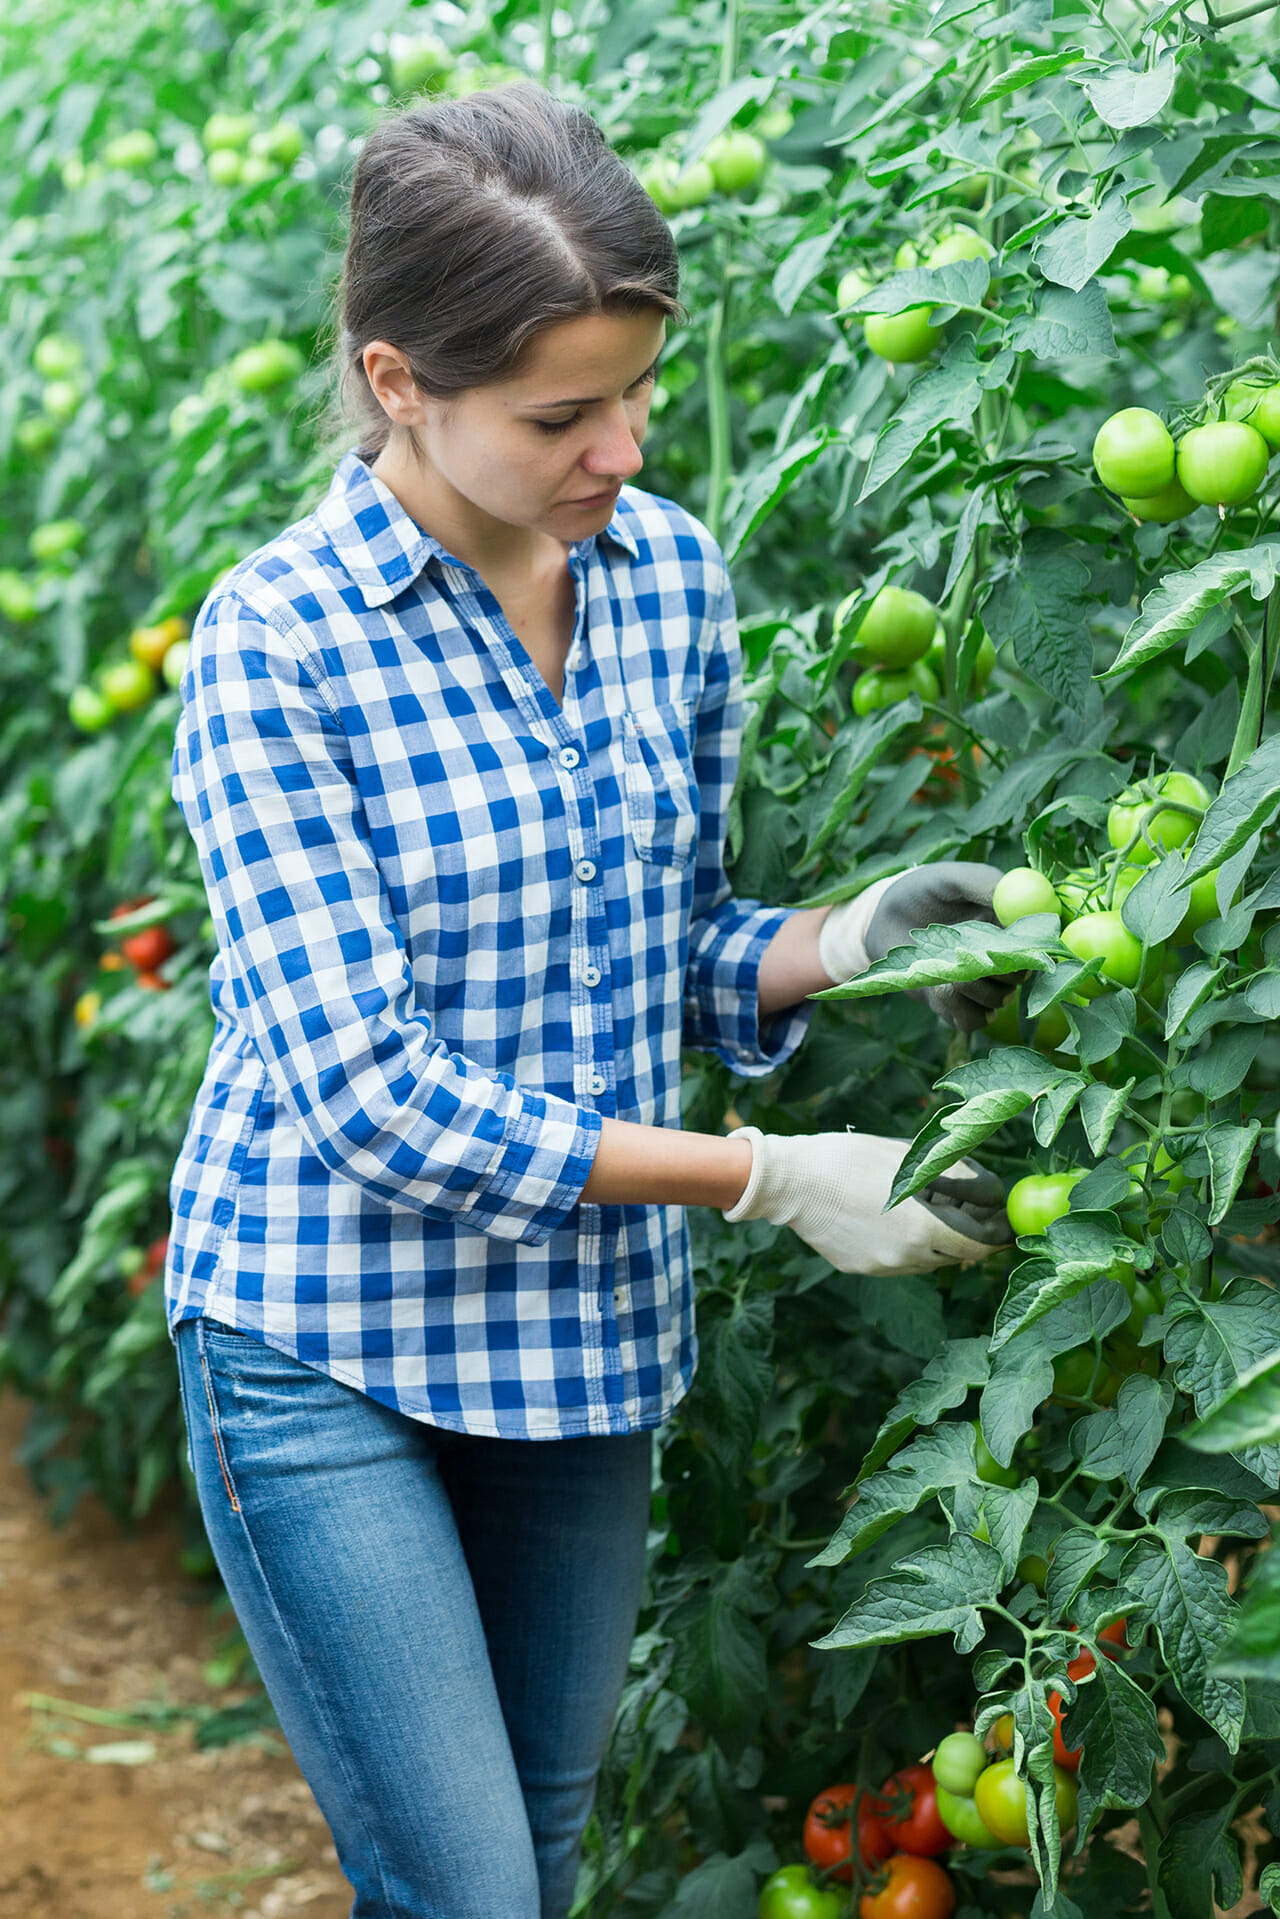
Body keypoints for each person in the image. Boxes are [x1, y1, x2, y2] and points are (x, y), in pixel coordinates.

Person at [164, 81, 1010, 1919]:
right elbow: (367, 1088)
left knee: (532, 1865)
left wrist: (852, 933)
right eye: (563, 412)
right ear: (400, 381)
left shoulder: (669, 580)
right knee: (462, 1892)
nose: (620, 445)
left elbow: (669, 945)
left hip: (570, 1343)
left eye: (636, 388)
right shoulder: (279, 642)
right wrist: (767, 1180)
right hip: (324, 1337)